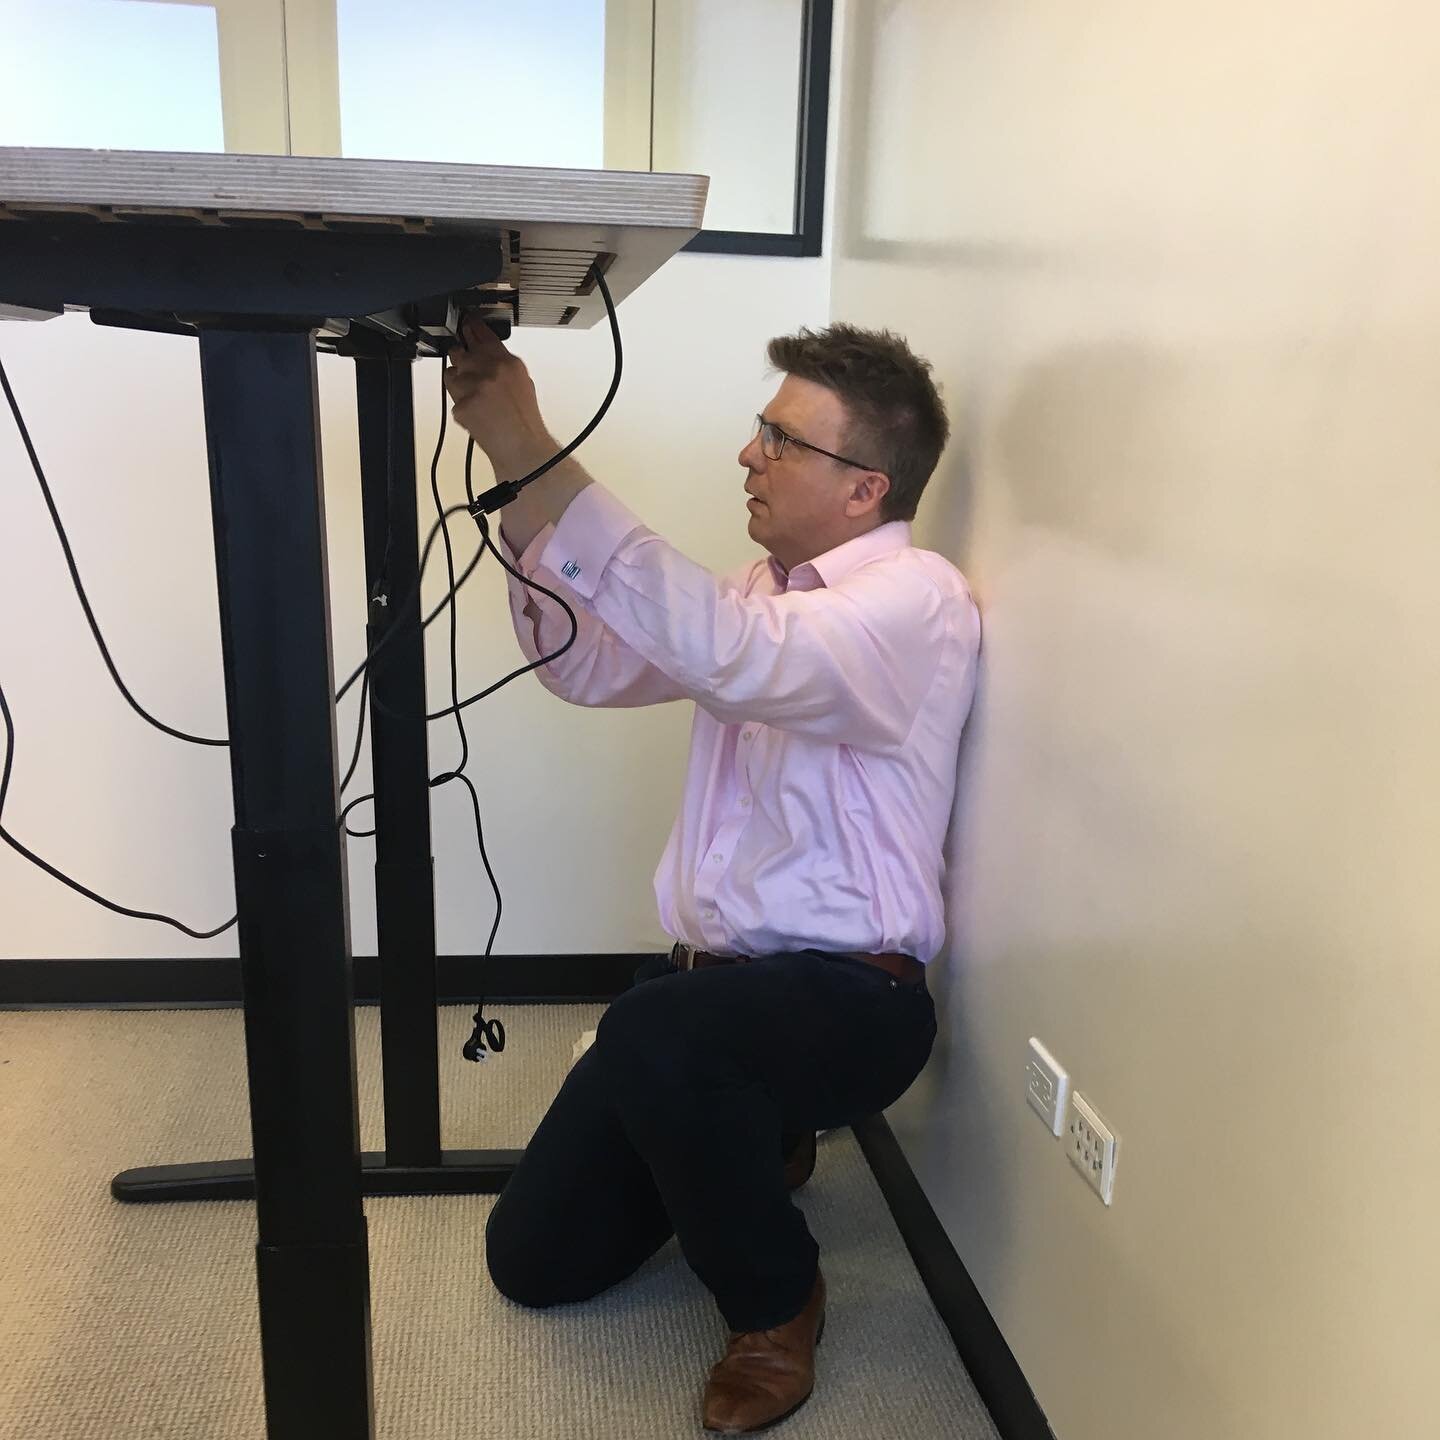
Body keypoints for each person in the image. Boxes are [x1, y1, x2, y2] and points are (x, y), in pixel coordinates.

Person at [444, 317, 981, 1435]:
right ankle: (756, 1130)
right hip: (715, 996)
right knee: (533, 1259)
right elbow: (586, 666)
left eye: (782, 441)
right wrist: (515, 484)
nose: (750, 455)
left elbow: (732, 663)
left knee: (657, 1035)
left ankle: (779, 1301)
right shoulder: (755, 591)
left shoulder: (916, 603)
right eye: (760, 431)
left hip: (855, 1001)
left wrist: (538, 444)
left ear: (864, 489)